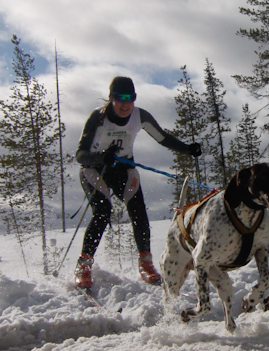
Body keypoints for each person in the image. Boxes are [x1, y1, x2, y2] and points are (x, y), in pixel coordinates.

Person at [74, 76, 201, 288]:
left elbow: (163, 138)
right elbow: (80, 154)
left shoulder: (139, 116)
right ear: (111, 98)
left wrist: (187, 149)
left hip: (123, 169)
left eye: (130, 98)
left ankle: (146, 263)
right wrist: (100, 157)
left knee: (138, 211)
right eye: (120, 98)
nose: (125, 104)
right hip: (94, 169)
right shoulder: (98, 117)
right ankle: (84, 265)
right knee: (103, 211)